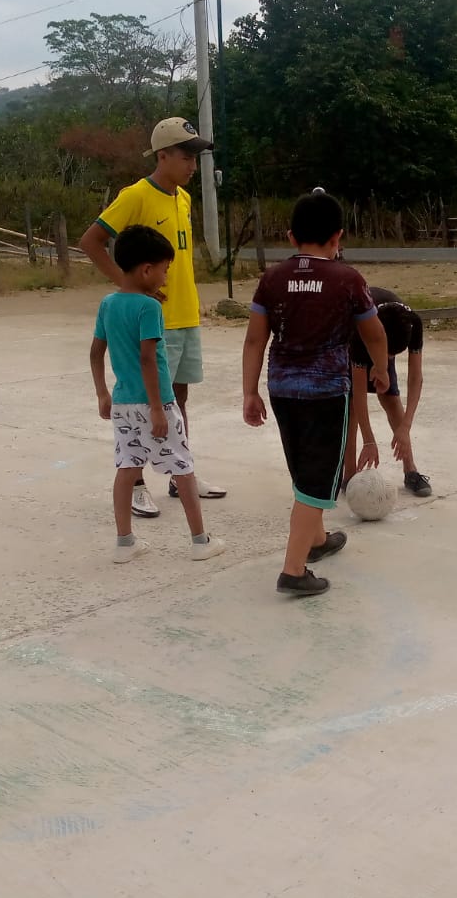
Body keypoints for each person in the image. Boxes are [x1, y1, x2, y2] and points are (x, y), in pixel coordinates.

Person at [78, 117, 227, 521]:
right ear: (163, 156)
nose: (192, 165)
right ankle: (137, 484)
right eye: (185, 156)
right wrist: (129, 288)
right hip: (150, 318)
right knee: (144, 402)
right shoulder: (136, 195)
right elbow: (91, 241)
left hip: (183, 314)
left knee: (177, 399)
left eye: (195, 157)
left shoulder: (184, 198)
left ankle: (180, 475)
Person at [242, 191, 389, 596]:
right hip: (326, 392)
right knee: (318, 478)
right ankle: (294, 570)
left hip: (282, 388)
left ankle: (318, 539)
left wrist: (249, 391)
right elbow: (375, 332)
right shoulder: (348, 279)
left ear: (291, 237)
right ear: (338, 236)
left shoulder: (272, 279)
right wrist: (380, 368)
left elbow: (254, 340)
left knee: (304, 469)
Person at [90, 226, 227, 566]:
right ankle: (200, 541)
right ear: (146, 270)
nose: (166, 278)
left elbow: (95, 352)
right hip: (156, 403)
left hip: (123, 403)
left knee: (127, 467)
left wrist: (102, 393)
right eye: (165, 270)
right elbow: (148, 359)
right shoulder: (149, 307)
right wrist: (156, 409)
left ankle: (125, 542)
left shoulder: (108, 304)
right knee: (183, 469)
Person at [345, 287, 432, 497]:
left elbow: (415, 378)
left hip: (381, 336)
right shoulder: (359, 329)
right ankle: (349, 475)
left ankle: (410, 470)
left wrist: (405, 427)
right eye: (387, 354)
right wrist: (369, 440)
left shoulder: (412, 323)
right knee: (351, 408)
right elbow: (358, 393)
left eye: (393, 355)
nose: (390, 358)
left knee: (391, 399)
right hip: (353, 336)